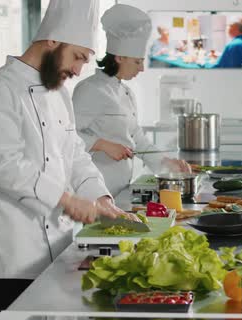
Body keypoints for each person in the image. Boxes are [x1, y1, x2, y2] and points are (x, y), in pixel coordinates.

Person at [0, 0, 135, 319]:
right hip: (12, 257)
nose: (78, 70)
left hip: (57, 248)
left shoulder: (58, 95)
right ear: (53, 41)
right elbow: (4, 166)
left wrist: (100, 197)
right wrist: (66, 200)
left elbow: (74, 153)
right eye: (78, 57)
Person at [73, 4, 191, 197]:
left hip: (121, 189)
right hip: (96, 190)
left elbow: (138, 139)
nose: (142, 69)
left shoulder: (126, 92)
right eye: (137, 62)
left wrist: (166, 164)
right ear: (119, 57)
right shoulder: (90, 90)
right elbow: (66, 135)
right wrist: (102, 144)